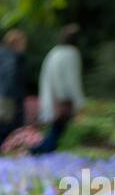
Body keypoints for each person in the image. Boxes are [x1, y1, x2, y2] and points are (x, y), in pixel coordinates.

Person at [31, 24, 84, 156]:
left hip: (52, 97)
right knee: (57, 129)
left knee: (56, 129)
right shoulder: (72, 54)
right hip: (63, 99)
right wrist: (79, 100)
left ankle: (40, 150)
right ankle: (39, 151)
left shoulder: (55, 52)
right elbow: (72, 79)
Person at [0, 29, 27, 156]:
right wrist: (17, 96)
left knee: (2, 127)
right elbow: (12, 76)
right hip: (8, 98)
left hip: (1, 96)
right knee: (5, 127)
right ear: (15, 43)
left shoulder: (3, 55)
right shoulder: (11, 56)